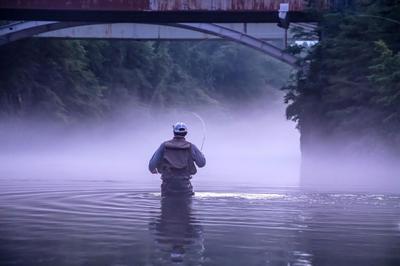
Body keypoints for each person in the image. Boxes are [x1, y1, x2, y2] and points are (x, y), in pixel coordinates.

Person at [149, 122, 206, 196]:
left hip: (167, 188)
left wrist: (153, 170)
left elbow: (151, 166)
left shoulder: (164, 146)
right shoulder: (191, 147)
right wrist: (201, 155)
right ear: (186, 133)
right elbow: (201, 164)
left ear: (174, 132)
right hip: (185, 187)